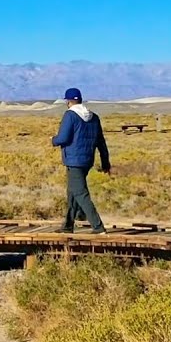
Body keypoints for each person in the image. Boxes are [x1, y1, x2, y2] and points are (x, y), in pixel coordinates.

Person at [51, 87, 111, 234]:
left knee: (80, 193)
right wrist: (105, 163)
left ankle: (98, 227)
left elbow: (63, 138)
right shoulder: (94, 117)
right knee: (73, 192)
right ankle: (67, 226)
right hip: (87, 160)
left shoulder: (70, 115)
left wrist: (53, 140)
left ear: (68, 101)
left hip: (73, 160)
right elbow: (101, 142)